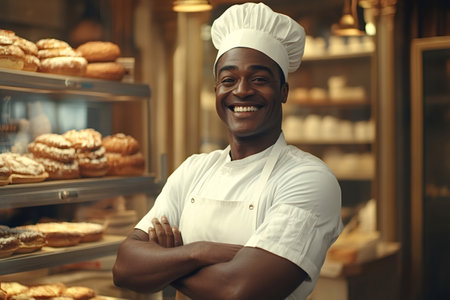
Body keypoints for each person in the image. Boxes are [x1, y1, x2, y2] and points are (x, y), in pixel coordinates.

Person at [113, 3, 342, 300]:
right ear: (217, 90)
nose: (242, 90)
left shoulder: (309, 179)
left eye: (259, 79)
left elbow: (238, 290)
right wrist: (199, 252)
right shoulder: (194, 170)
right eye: (228, 80)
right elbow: (125, 267)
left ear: (284, 90)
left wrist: (167, 264)